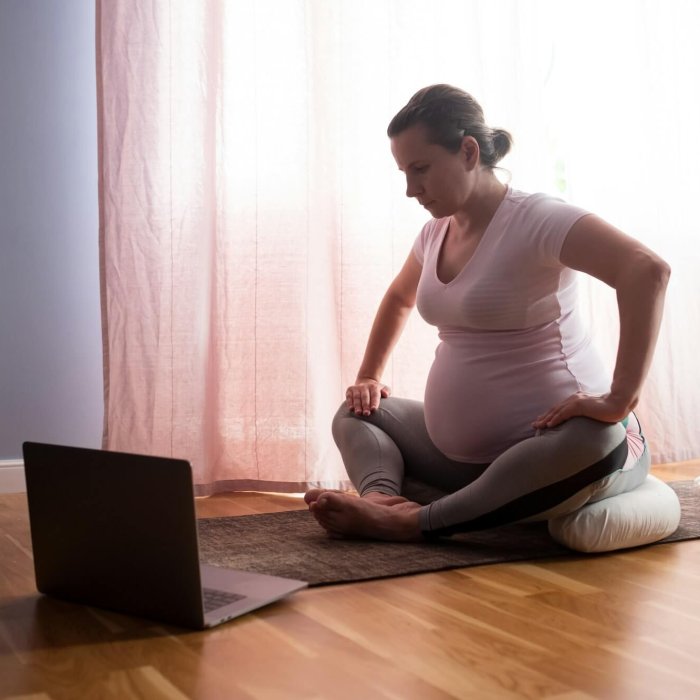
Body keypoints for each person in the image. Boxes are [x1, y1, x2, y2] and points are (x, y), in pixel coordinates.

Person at [305, 84, 671, 543]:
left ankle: (414, 522)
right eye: (403, 172)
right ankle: (382, 499)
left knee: (596, 442)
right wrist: (368, 376)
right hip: (461, 458)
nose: (410, 189)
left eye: (420, 169)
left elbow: (647, 271)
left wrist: (620, 399)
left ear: (468, 151)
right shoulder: (434, 233)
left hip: (560, 447)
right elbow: (399, 298)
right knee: (358, 413)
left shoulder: (538, 218)